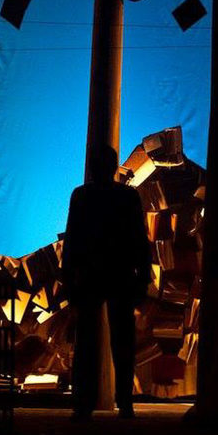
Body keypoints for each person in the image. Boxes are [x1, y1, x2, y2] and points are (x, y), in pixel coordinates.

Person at [62, 145, 151, 420]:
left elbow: (73, 239)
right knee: (122, 342)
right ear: (115, 168)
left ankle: (83, 403)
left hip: (89, 275)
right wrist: (144, 277)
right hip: (121, 273)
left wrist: (68, 278)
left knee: (87, 342)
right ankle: (125, 403)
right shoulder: (128, 196)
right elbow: (140, 238)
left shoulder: (81, 196)